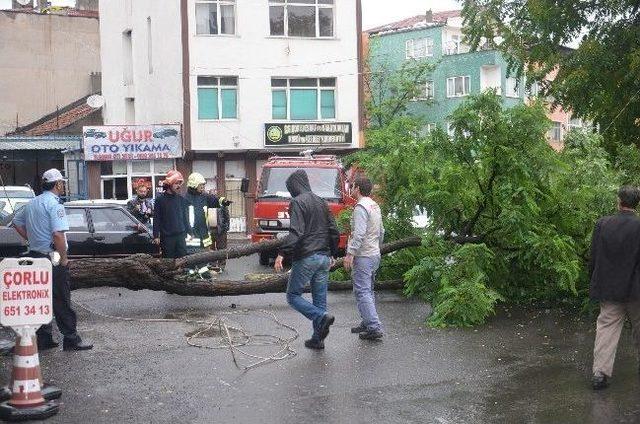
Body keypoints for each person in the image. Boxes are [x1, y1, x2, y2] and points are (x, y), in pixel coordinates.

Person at [12, 168, 93, 351]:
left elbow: (16, 222)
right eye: (62, 183)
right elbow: (57, 235)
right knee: (61, 299)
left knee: (40, 298)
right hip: (53, 258)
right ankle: (71, 338)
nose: (63, 185)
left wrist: (31, 238)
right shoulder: (55, 205)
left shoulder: (32, 203)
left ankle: (44, 338)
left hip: (35, 256)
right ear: (57, 184)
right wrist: (63, 258)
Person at [274, 170, 340, 350]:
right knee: (320, 301)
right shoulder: (321, 201)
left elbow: (296, 232)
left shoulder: (297, 202)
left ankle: (320, 318)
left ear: (294, 187)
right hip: (324, 257)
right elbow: (334, 231)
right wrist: (333, 253)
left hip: (306, 257)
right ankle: (317, 340)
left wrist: (282, 253)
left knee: (293, 295)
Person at [589, 185, 640, 390]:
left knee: (606, 329)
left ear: (619, 201)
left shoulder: (602, 224)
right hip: (637, 290)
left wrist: (593, 281)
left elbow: (594, 257)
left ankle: (600, 374)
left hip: (609, 288)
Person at [343, 176, 385, 340]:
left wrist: (349, 254)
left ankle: (374, 327)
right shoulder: (375, 205)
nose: (351, 190)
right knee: (368, 290)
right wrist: (376, 248)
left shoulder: (360, 207)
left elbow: (359, 234)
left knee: (362, 291)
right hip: (374, 254)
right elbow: (382, 232)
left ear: (358, 188)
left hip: (364, 256)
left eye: (352, 187)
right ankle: (367, 322)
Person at [184, 172, 232, 269]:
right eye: (201, 185)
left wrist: (223, 201)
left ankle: (205, 275)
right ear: (194, 185)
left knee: (204, 259)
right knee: (192, 259)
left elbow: (215, 200)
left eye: (203, 185)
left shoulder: (204, 197)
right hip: (191, 235)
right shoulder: (184, 199)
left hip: (203, 233)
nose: (203, 187)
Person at [153, 170, 189, 259]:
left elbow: (184, 217)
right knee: (169, 262)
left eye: (180, 184)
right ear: (169, 184)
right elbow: (156, 218)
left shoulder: (181, 199)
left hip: (181, 236)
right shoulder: (160, 200)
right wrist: (156, 236)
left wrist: (189, 231)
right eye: (176, 183)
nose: (179, 186)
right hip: (167, 238)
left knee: (183, 260)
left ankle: (182, 273)